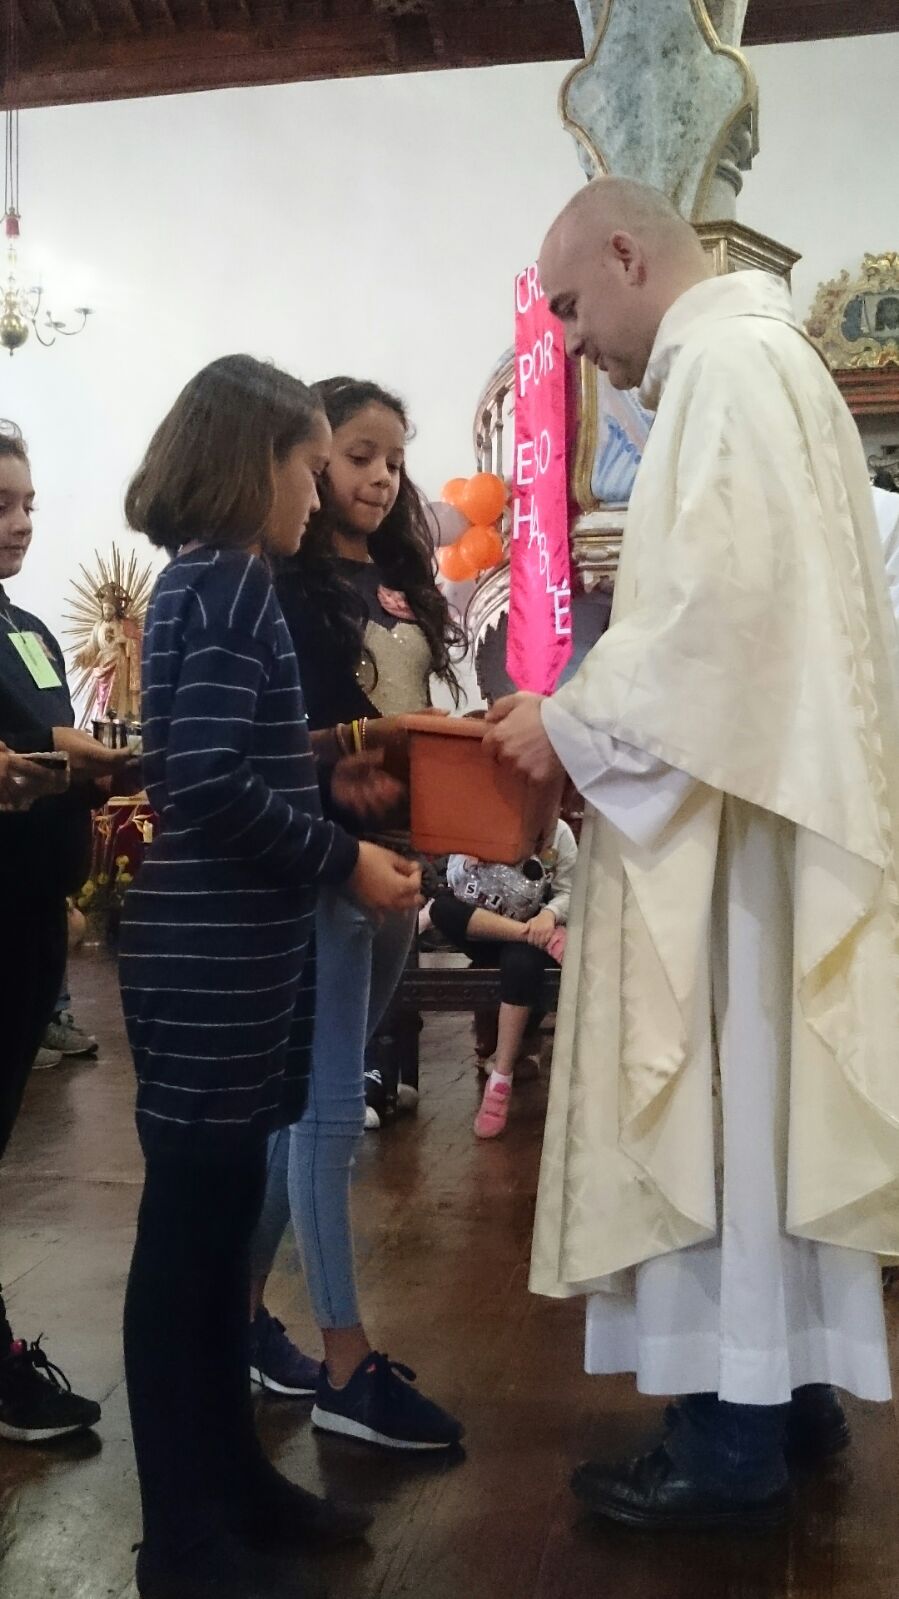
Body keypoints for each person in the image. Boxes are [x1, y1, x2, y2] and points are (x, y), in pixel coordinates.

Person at [485, 178, 899, 1532]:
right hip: (758, 809)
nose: (568, 339)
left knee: (722, 1109)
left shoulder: (721, 368)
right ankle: (788, 1392)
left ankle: (729, 1442)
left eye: (568, 305)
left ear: (626, 252)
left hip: (728, 836)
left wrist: (563, 719)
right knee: (761, 1117)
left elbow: (714, 623)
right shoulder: (772, 363)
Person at [118, 356, 422, 1599]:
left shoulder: (201, 578)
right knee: (187, 1253)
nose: (315, 493)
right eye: (307, 467)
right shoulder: (235, 582)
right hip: (211, 957)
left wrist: (318, 770)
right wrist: (343, 854)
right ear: (258, 467)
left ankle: (232, 1485)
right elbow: (200, 780)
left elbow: (218, 752)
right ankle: (183, 1540)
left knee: (211, 1236)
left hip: (220, 953)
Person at [248, 377, 464, 1453]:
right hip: (331, 866)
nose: (380, 477)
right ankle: (344, 1362)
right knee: (328, 1109)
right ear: (311, 461)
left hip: (400, 862)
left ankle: (236, 1318)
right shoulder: (280, 586)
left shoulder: (396, 578)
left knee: (309, 1103)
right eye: (358, 456)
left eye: (394, 460)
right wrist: (351, 791)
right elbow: (271, 747)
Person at [0, 420, 135, 1441]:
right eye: (1, 505)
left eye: (29, 504)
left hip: (28, 914)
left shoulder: (33, 630)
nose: (21, 523)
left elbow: (39, 732)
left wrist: (91, 764)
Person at [429, 817, 576, 1138]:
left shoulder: (558, 831)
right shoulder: (479, 818)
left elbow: (569, 890)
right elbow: (453, 881)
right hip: (484, 929)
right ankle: (530, 937)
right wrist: (468, 864)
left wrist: (549, 914)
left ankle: (501, 1079)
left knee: (522, 964)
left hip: (532, 935)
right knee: (441, 908)